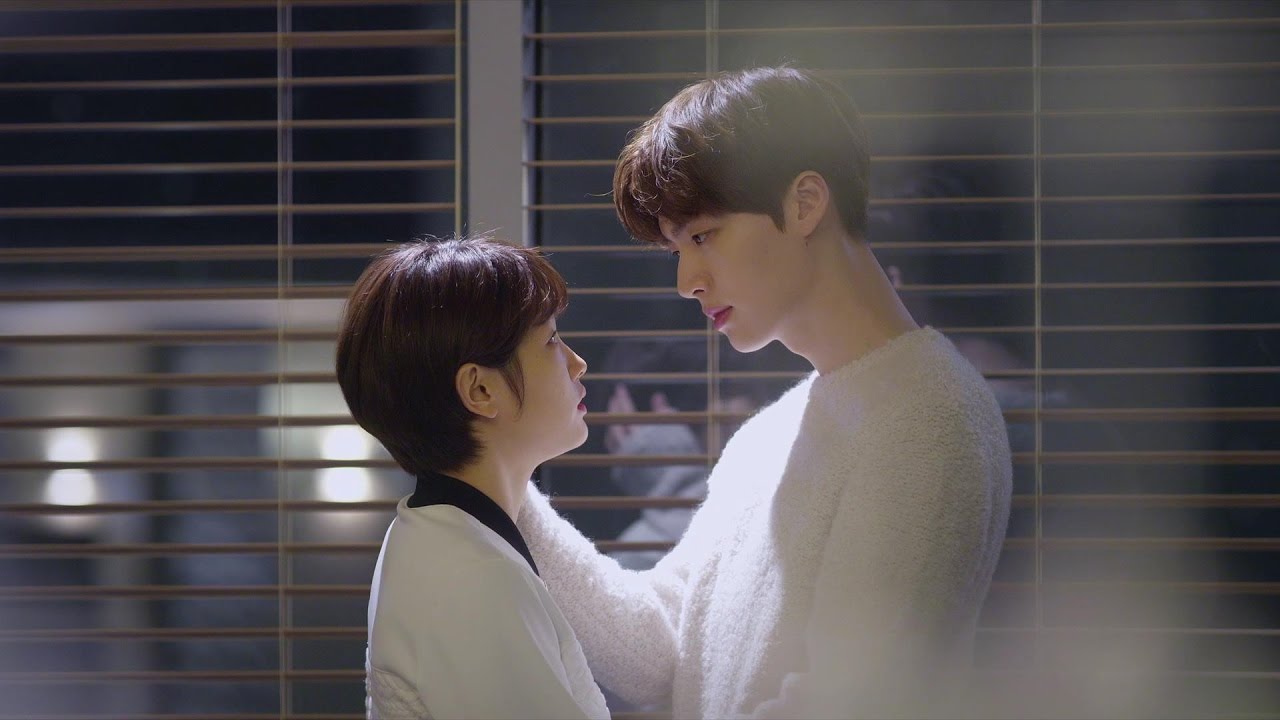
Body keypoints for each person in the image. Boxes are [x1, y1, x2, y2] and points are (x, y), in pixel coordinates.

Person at [515, 66, 1014, 718]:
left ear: (805, 204)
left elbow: (848, 705)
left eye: (702, 236)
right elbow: (661, 651)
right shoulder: (769, 434)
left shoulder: (927, 417)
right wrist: (501, 482)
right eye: (677, 250)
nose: (687, 281)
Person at [336, 237, 609, 719]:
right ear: (480, 390)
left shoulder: (440, 537)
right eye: (550, 340)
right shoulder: (474, 577)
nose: (577, 362)